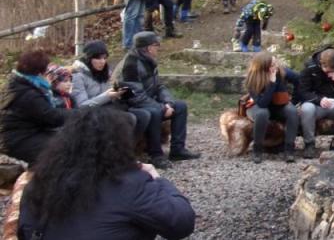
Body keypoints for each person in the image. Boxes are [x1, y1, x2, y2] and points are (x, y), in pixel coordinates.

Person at [17, 107, 196, 240]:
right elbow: (181, 223)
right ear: (121, 143)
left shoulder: (39, 182)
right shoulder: (130, 184)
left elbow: (24, 230)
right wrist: (157, 181)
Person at [120, 31, 201, 169]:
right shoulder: (131, 64)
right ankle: (156, 155)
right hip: (132, 104)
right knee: (155, 113)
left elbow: (159, 86)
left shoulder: (149, 60)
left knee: (180, 106)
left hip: (150, 101)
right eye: (156, 44)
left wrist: (167, 102)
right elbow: (135, 96)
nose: (159, 47)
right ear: (147, 47)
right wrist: (162, 108)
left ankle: (177, 150)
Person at [71, 40, 150, 144]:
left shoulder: (105, 72)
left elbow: (110, 92)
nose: (102, 61)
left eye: (104, 58)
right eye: (98, 58)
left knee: (144, 115)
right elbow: (82, 106)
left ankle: (129, 150)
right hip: (90, 114)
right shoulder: (78, 76)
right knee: (129, 118)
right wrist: (107, 95)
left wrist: (120, 93)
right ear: (89, 58)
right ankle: (118, 152)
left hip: (109, 108)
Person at [0, 50, 72, 164]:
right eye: (46, 71)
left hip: (26, 133)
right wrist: (80, 113)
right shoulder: (27, 93)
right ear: (39, 73)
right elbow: (51, 117)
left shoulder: (20, 84)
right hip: (17, 139)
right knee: (63, 150)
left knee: (69, 140)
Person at [243, 53, 300, 163]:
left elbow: (298, 79)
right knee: (262, 114)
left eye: (276, 63)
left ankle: (289, 149)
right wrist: (271, 83)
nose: (276, 66)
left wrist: (294, 101)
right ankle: (257, 149)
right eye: (273, 65)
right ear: (264, 67)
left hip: (278, 105)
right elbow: (262, 103)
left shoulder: (280, 72)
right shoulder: (253, 78)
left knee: (292, 111)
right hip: (259, 106)